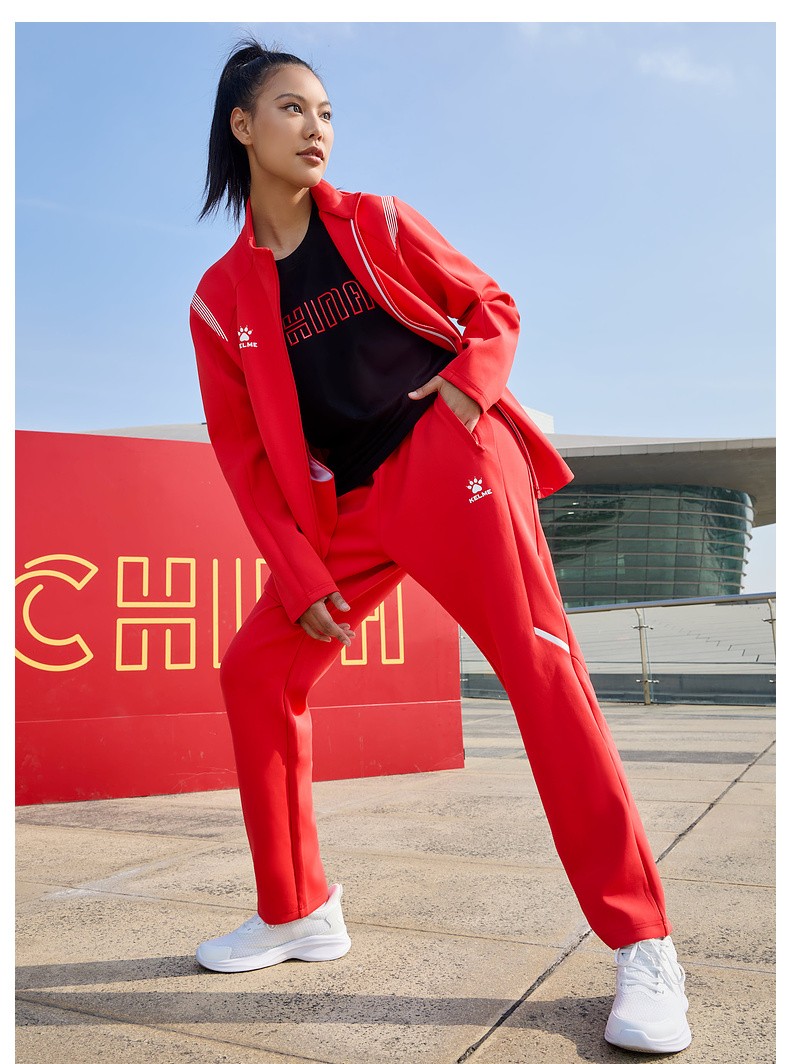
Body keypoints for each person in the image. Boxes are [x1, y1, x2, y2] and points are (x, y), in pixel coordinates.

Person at [189, 38, 693, 1055]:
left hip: (445, 460)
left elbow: (490, 305)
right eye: (292, 109)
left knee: (541, 670)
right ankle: (298, 908)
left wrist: (468, 388)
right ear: (242, 126)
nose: (317, 128)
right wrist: (297, 567)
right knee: (256, 669)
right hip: (344, 509)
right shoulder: (218, 298)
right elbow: (244, 458)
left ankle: (643, 942)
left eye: (326, 112)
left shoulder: (376, 221)